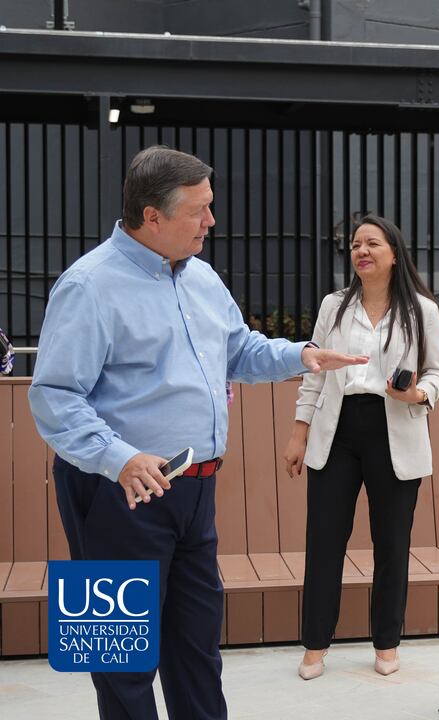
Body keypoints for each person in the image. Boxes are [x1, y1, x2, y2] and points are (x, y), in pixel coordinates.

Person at [28, 145, 366, 720]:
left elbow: (237, 350)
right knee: (119, 658)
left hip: (194, 491)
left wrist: (302, 354)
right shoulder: (87, 286)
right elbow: (54, 396)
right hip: (118, 493)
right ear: (152, 216)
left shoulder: (201, 276)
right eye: (199, 210)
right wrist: (119, 458)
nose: (211, 221)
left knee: (197, 649)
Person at [284, 214, 439, 680]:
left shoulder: (421, 310)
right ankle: (315, 644)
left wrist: (417, 393)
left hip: (394, 426)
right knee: (324, 542)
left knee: (392, 544)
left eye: (372, 243)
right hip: (335, 431)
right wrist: (299, 433)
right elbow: (314, 372)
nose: (361, 250)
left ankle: (387, 641)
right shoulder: (334, 305)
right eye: (356, 244)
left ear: (394, 253)